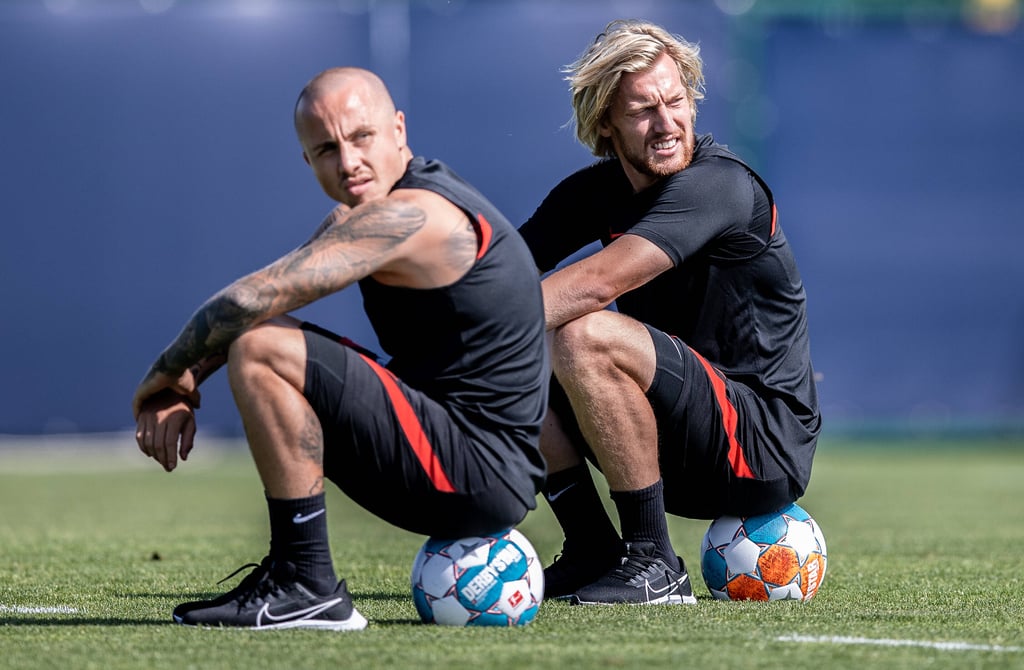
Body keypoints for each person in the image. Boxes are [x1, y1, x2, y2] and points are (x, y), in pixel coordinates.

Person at [132, 67, 548, 630]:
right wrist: (188, 380)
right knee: (261, 337)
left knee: (260, 349)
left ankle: (305, 582)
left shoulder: (413, 215)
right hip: (464, 455)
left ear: (398, 129)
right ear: (308, 161)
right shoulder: (365, 215)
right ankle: (300, 578)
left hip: (479, 471)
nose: (347, 161)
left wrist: (162, 378)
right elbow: (266, 301)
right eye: (326, 148)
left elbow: (254, 297)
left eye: (362, 137)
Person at [518, 19, 821, 606]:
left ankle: (654, 562)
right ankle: (592, 550)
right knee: (519, 353)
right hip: (677, 436)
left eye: (676, 101)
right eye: (642, 111)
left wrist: (478, 332)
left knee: (577, 332)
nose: (666, 123)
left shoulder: (719, 185)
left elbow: (597, 282)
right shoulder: (592, 193)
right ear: (604, 121)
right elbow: (502, 271)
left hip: (760, 441)